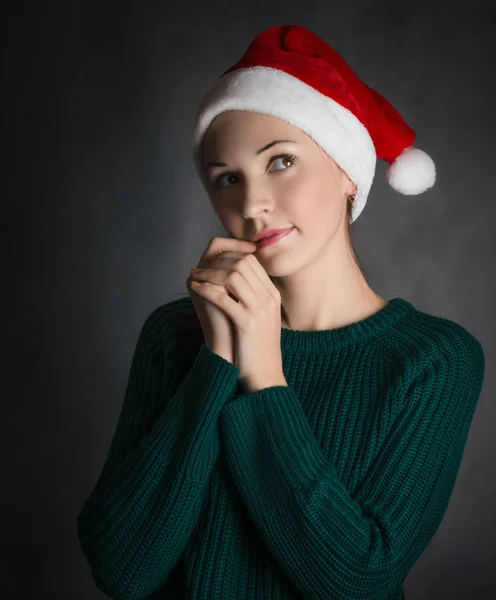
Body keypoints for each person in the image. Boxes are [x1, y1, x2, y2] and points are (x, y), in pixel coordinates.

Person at [77, 25, 485, 599]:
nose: (251, 204)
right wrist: (218, 358)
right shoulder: (175, 335)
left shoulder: (433, 360)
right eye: (226, 179)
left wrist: (264, 374)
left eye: (281, 162)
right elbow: (121, 569)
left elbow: (357, 581)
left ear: (347, 173)